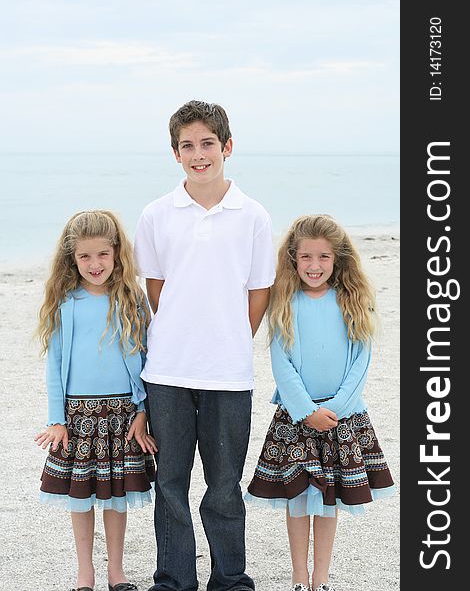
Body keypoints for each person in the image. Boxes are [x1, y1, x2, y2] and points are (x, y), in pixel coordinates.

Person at [134, 100, 276, 591]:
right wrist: (183, 331)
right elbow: (157, 288)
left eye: (208, 143)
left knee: (223, 487)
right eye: (188, 146)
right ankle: (173, 581)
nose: (199, 154)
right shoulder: (156, 214)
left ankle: (230, 579)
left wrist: (228, 338)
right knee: (169, 486)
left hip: (229, 375)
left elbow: (259, 292)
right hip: (168, 373)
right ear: (175, 154)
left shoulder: (253, 215)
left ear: (227, 147)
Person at [246, 214, 395, 591]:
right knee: (298, 499)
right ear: (293, 259)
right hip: (296, 419)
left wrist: (338, 407)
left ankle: (321, 579)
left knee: (329, 502)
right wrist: (306, 410)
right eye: (306, 257)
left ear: (338, 259)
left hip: (342, 418)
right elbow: (281, 362)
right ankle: (299, 578)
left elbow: (362, 359)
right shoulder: (284, 302)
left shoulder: (353, 300)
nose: (314, 266)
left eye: (323, 258)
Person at [34, 210, 158, 591]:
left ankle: (115, 572)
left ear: (116, 253)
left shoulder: (132, 298)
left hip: (123, 412)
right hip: (78, 415)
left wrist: (143, 410)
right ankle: (84, 572)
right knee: (81, 495)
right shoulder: (64, 302)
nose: (94, 264)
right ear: (72, 258)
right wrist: (58, 419)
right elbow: (55, 364)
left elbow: (147, 358)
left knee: (116, 494)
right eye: (85, 257)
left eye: (103, 255)